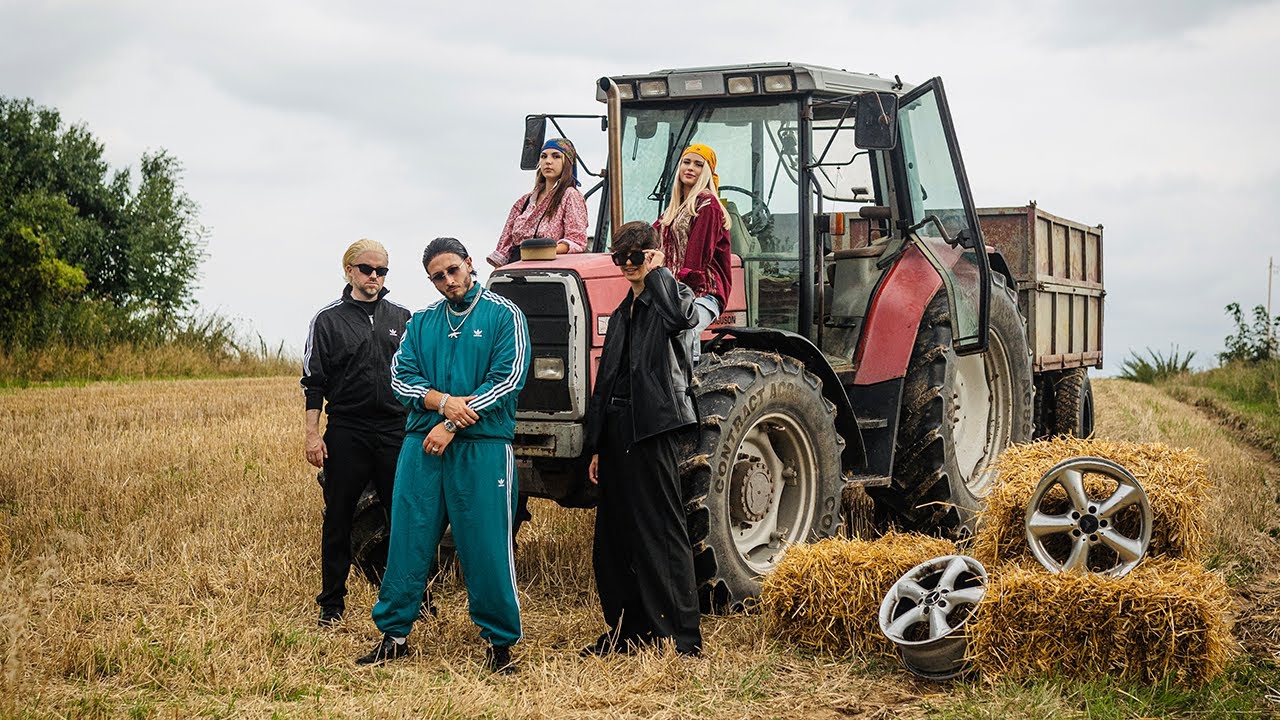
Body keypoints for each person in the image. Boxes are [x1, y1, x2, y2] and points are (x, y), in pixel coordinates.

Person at [357, 237, 530, 673]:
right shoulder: (422, 323)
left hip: (482, 446)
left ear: (470, 264)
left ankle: (499, 644)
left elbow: (508, 378)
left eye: (454, 270)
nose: (448, 281)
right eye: (438, 276)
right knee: (409, 540)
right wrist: (440, 402)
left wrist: (452, 421)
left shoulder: (503, 314)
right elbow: (401, 377)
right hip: (422, 445)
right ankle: (395, 636)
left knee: (486, 544)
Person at [582, 221, 702, 657]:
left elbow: (682, 319)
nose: (628, 264)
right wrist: (596, 445)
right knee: (613, 540)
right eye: (622, 257)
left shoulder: (672, 299)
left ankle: (679, 638)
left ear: (653, 255)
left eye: (637, 256)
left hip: (653, 427)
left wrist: (659, 274)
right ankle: (627, 633)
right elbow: (606, 381)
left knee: (661, 531)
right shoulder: (620, 313)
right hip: (616, 430)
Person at [301, 239, 411, 627]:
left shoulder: (402, 317)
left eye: (382, 271)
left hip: (395, 430)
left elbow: (416, 376)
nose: (375, 277)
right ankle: (331, 604)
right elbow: (313, 381)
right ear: (348, 270)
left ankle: (414, 598)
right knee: (339, 519)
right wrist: (313, 435)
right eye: (367, 269)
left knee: (404, 517)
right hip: (347, 430)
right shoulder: (327, 320)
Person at [655, 142, 733, 365]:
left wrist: (681, 293)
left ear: (706, 171)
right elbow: (649, 238)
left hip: (702, 292)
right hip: (675, 292)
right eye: (686, 162)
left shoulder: (708, 205)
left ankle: (687, 388)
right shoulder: (672, 212)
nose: (690, 168)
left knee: (685, 330)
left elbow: (697, 259)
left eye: (698, 164)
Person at [487, 137, 589, 268]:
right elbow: (504, 246)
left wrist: (541, 251)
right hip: (517, 268)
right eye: (544, 156)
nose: (548, 161)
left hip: (549, 269)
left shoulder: (570, 196)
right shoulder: (524, 202)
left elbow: (576, 239)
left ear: (567, 163)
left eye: (556, 156)